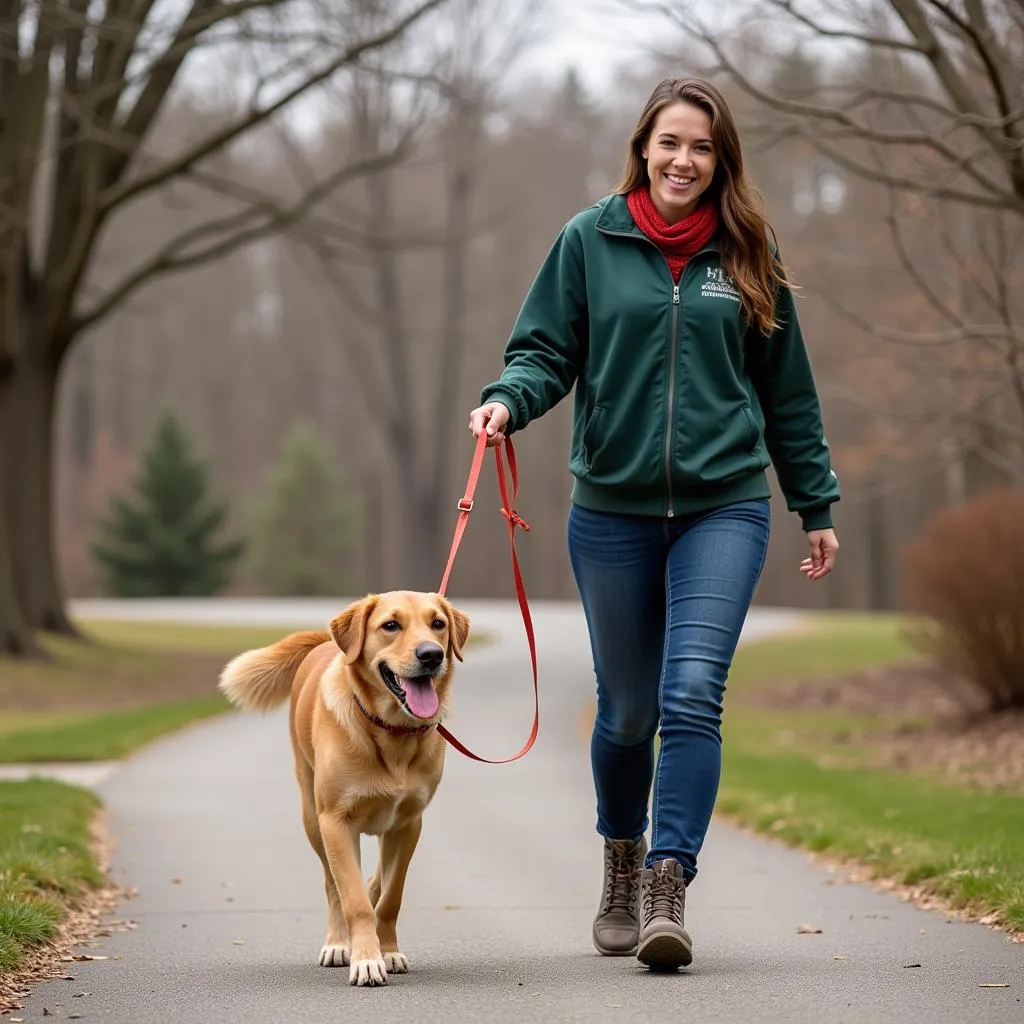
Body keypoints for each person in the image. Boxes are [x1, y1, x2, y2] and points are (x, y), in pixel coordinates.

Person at [468, 77, 840, 972]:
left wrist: (813, 501)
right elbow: (544, 351)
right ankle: (623, 859)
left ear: (723, 161)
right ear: (643, 147)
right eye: (670, 143)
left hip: (725, 504)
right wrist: (508, 402)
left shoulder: (748, 249)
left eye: (703, 148)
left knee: (691, 693)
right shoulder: (589, 239)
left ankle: (669, 878)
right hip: (613, 511)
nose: (684, 161)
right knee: (628, 711)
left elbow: (786, 386)